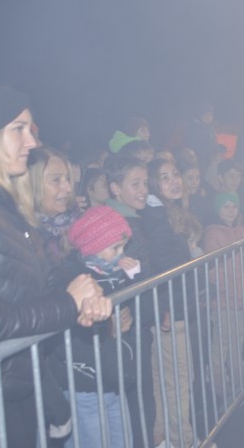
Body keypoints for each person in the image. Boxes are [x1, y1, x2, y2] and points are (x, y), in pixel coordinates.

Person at [0, 83, 112, 448]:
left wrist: (85, 289)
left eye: (31, 130)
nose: (31, 141)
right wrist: (69, 303)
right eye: (18, 129)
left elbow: (36, 279)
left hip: (8, 387)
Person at [49, 205, 140, 448]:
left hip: (111, 378)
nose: (121, 254)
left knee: (122, 440)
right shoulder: (77, 281)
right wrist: (109, 328)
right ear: (93, 247)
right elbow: (75, 329)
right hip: (85, 384)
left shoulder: (113, 275)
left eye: (123, 247)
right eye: (115, 248)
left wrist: (134, 278)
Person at [144, 158, 202, 448]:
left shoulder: (168, 215)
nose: (174, 181)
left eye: (175, 174)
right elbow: (162, 270)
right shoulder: (158, 221)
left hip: (170, 310)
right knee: (178, 380)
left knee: (167, 379)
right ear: (154, 185)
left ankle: (164, 437)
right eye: (164, 178)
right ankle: (183, 441)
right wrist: (167, 308)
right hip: (170, 312)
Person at [102, 153, 156, 448]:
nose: (143, 190)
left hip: (137, 319)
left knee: (141, 395)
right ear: (115, 188)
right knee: (136, 398)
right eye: (135, 183)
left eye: (145, 183)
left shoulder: (134, 220)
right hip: (127, 324)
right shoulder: (116, 224)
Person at [201, 192, 244, 402]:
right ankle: (219, 389)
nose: (231, 211)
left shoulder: (242, 230)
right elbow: (213, 269)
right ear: (218, 210)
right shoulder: (213, 233)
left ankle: (240, 387)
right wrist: (225, 290)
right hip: (223, 302)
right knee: (220, 348)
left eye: (234, 206)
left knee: (237, 345)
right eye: (225, 207)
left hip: (241, 299)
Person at [28, 146, 80, 264]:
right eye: (56, 180)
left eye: (68, 178)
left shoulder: (79, 225)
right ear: (32, 184)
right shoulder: (20, 236)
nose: (68, 188)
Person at [184, 103, 218, 174]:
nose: (208, 118)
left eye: (210, 115)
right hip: (199, 159)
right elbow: (192, 145)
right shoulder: (194, 128)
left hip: (209, 159)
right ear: (200, 116)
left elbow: (212, 142)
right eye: (206, 115)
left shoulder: (210, 127)